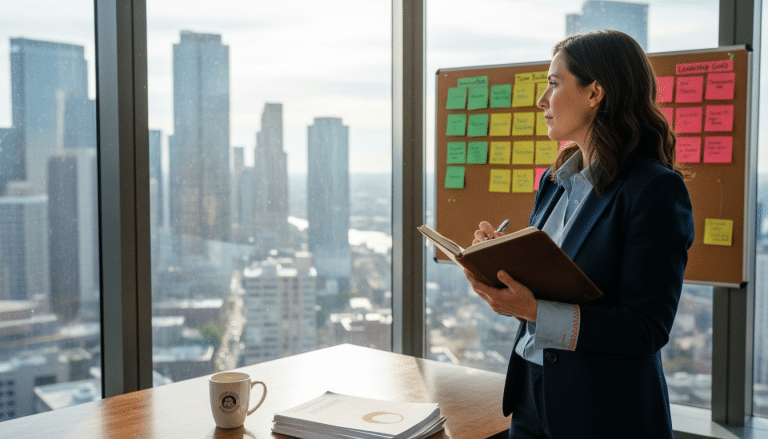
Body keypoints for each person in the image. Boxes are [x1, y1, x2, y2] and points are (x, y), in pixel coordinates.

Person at [464, 30, 695, 439]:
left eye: (553, 84)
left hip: (604, 414)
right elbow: (549, 287)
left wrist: (533, 310)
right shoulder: (554, 182)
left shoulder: (653, 190)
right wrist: (496, 263)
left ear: (595, 93)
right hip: (531, 398)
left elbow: (646, 329)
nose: (541, 101)